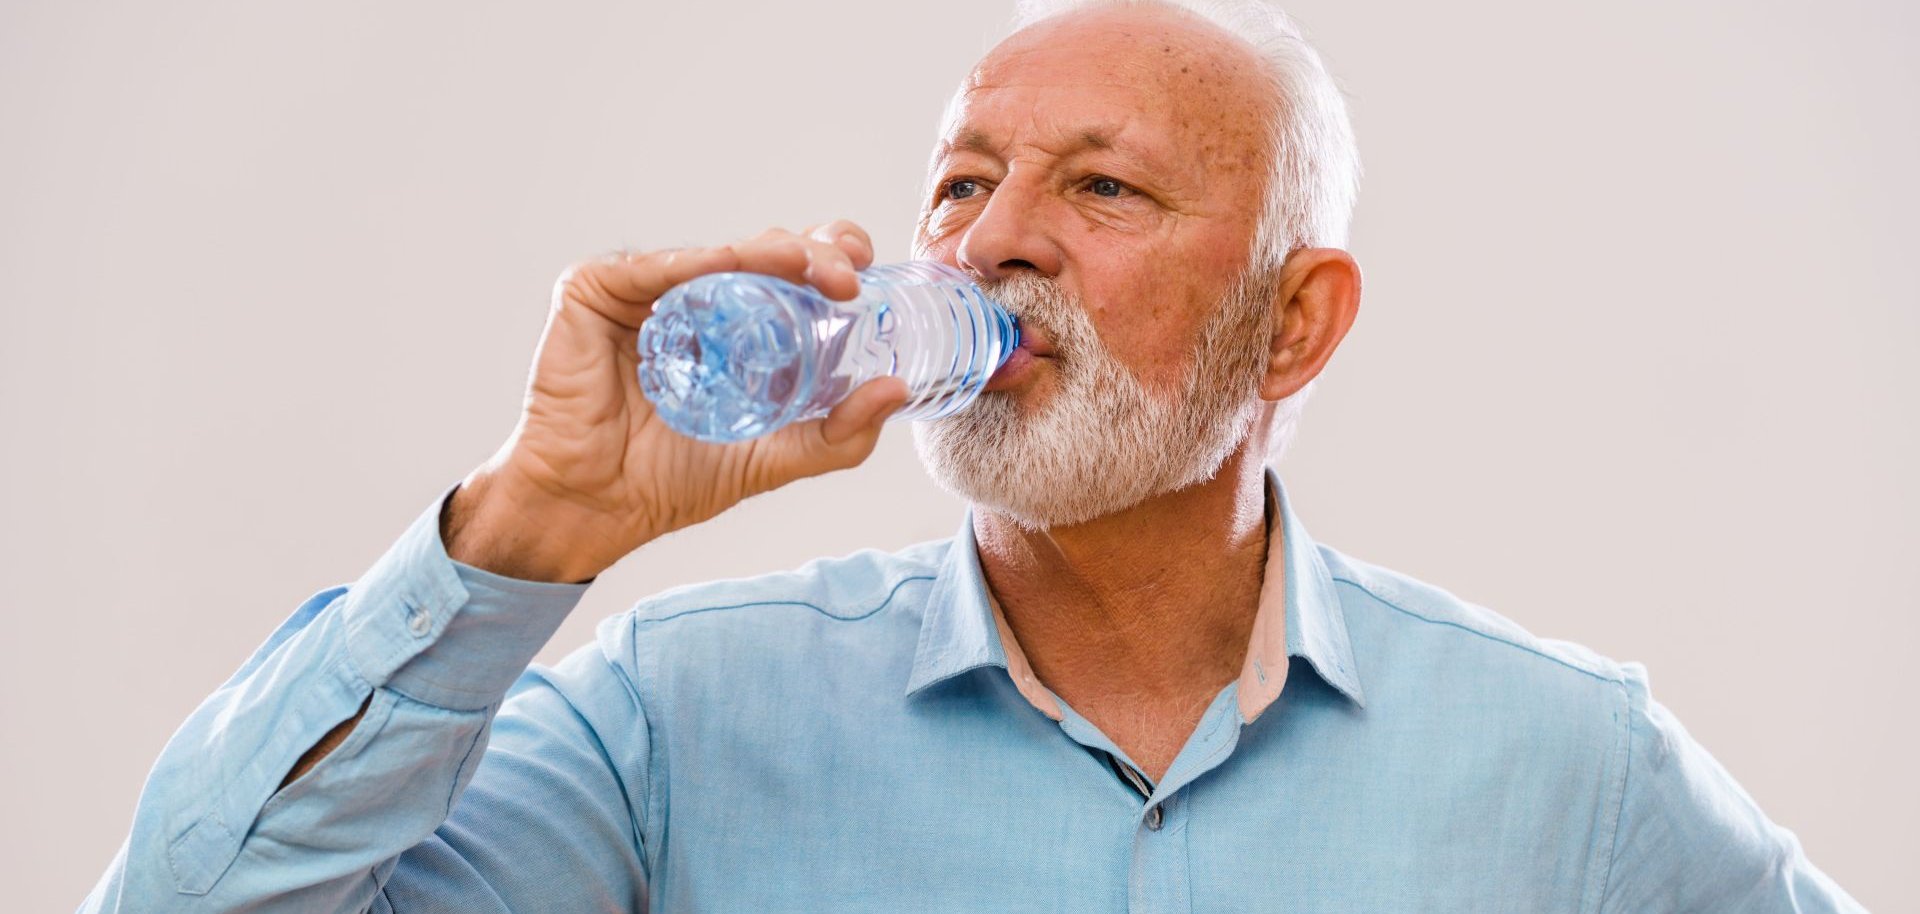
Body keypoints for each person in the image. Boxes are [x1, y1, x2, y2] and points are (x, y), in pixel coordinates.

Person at [83, 1, 1865, 911]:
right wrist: (523, 525)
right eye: (962, 181)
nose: (992, 240)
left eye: (1102, 187)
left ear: (1293, 324)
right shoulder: (675, 719)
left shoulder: (1564, 764)